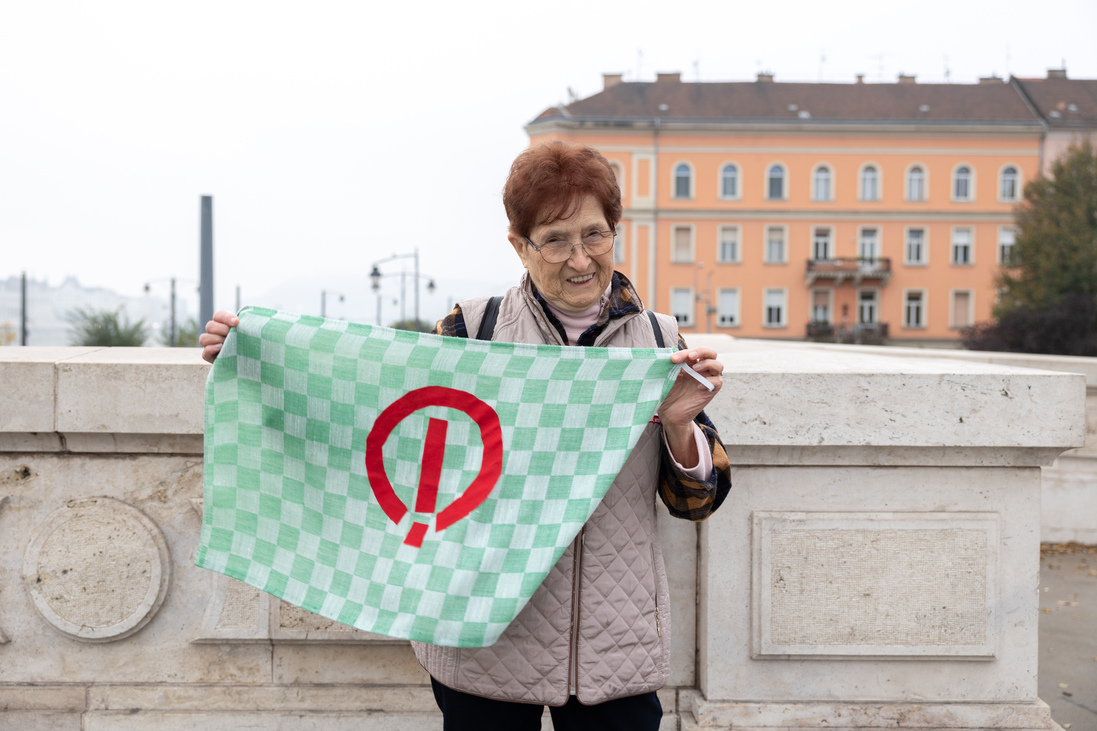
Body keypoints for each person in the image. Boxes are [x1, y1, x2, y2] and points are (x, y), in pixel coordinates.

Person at [200, 141, 731, 731]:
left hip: (615, 644)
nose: (580, 258)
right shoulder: (471, 330)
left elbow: (697, 501)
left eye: (595, 235)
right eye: (555, 239)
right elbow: (371, 405)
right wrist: (255, 358)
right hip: (485, 639)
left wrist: (681, 424)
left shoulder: (660, 342)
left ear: (615, 232)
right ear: (519, 246)